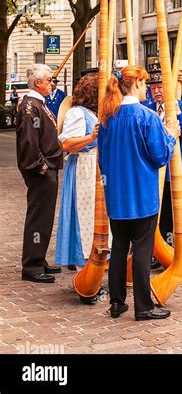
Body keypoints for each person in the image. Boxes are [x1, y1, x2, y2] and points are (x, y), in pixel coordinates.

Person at [98, 66, 180, 321]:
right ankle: (143, 306)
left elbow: (102, 157)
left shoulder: (107, 117)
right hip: (142, 192)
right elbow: (159, 155)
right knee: (143, 250)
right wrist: (171, 138)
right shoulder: (146, 116)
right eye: (145, 84)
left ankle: (116, 301)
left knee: (120, 247)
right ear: (136, 85)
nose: (147, 89)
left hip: (116, 193)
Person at [55, 73, 102, 301]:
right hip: (84, 168)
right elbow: (66, 144)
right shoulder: (77, 113)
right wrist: (90, 137)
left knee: (98, 222)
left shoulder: (95, 113)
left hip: (98, 169)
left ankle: (96, 272)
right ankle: (85, 276)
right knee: (84, 221)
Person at [16, 64, 63, 283]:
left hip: (49, 168)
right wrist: (41, 167)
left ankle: (39, 258)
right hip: (41, 171)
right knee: (38, 218)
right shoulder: (30, 107)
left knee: (45, 218)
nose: (51, 84)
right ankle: (32, 266)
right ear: (38, 83)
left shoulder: (37, 104)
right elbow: (29, 142)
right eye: (48, 80)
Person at [148, 70, 182, 248]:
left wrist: (178, 113)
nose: (157, 92)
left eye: (160, 87)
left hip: (180, 170)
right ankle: (161, 249)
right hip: (156, 171)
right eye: (153, 88)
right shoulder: (148, 108)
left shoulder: (181, 105)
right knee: (162, 213)